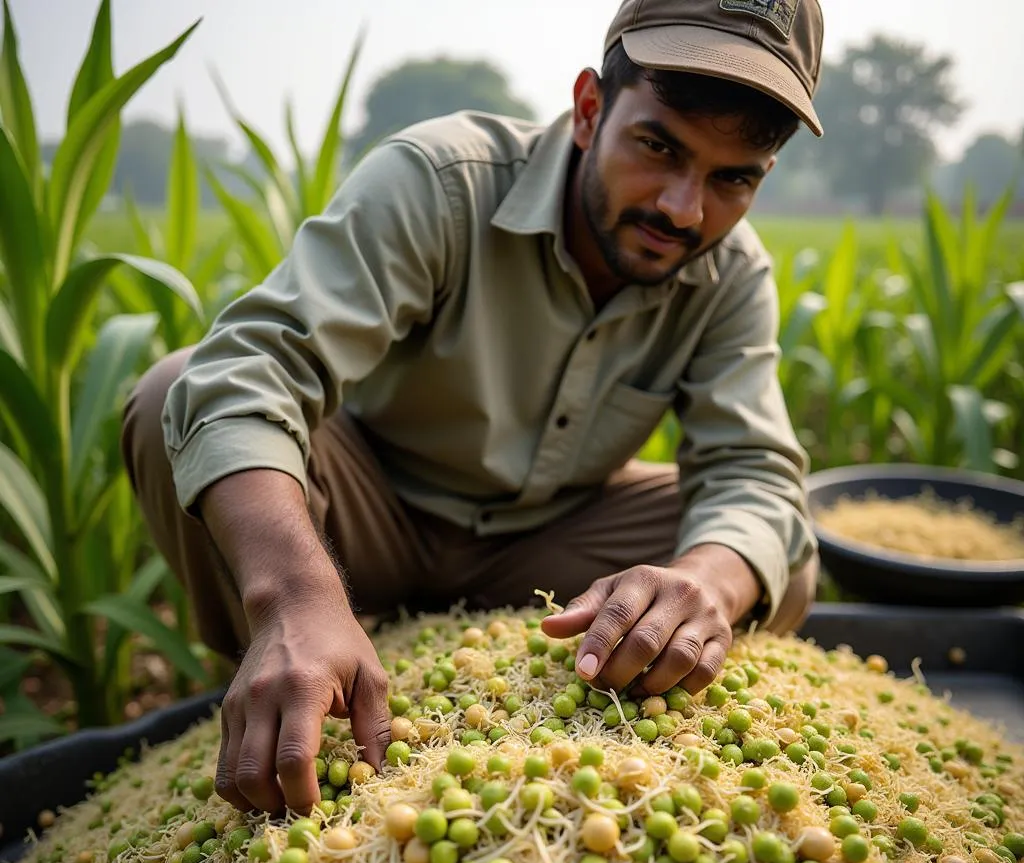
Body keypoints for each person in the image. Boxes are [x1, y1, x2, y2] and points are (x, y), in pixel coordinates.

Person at [122, 0, 825, 816]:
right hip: (362, 520)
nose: (681, 207)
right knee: (175, 393)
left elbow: (753, 472)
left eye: (730, 177)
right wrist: (292, 594)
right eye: (659, 146)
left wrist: (702, 579)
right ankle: (294, 660)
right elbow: (250, 368)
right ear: (591, 110)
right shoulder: (443, 181)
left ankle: (418, 648)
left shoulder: (731, 274)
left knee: (771, 555)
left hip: (548, 550)